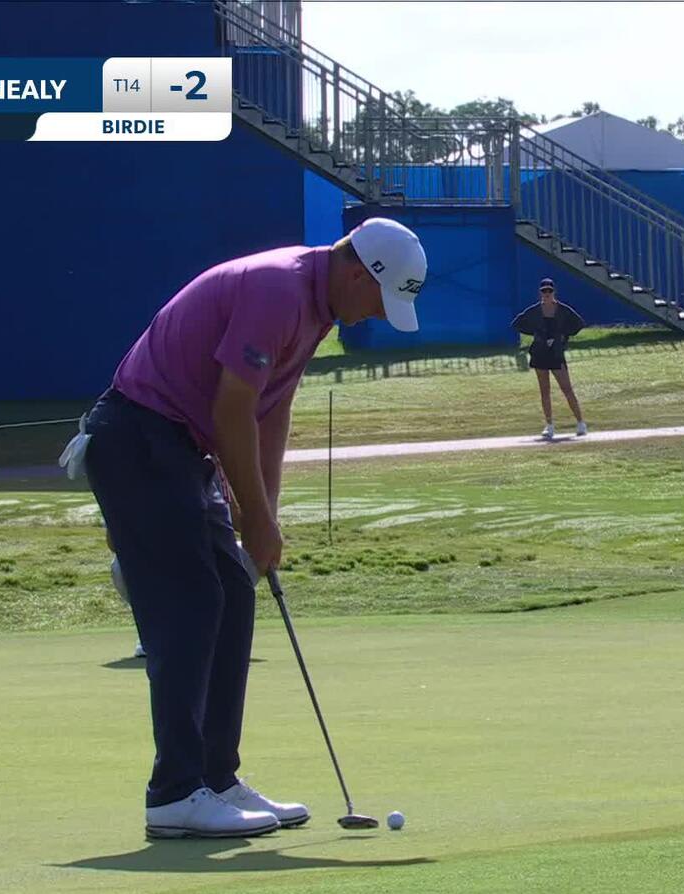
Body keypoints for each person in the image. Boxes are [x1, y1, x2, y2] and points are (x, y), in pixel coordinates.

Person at [76, 218, 427, 839]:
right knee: (193, 600)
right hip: (137, 439)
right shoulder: (278, 290)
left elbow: (272, 410)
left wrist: (265, 514)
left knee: (234, 589)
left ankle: (214, 777)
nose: (376, 315)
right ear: (356, 272)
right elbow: (231, 407)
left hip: (181, 451)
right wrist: (254, 518)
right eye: (379, 299)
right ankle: (175, 793)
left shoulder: (319, 306)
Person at [512, 277, 588, 440]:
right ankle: (549, 425)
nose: (546, 294)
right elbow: (517, 323)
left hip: (556, 353)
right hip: (540, 353)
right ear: (540, 293)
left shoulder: (562, 310)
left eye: (549, 291)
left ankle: (581, 422)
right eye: (544, 291)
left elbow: (578, 324)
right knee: (544, 391)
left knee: (566, 388)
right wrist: (537, 334)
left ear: (554, 292)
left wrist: (561, 337)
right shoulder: (534, 311)